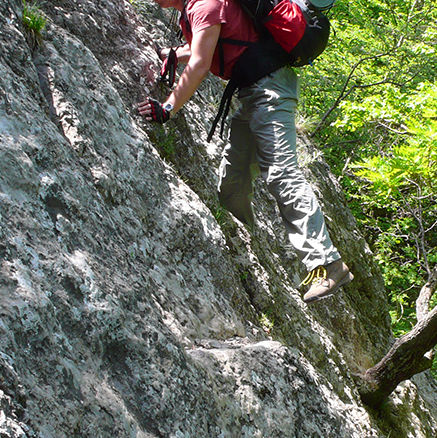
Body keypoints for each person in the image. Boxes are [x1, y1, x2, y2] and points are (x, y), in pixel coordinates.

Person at [137, 0, 353, 304]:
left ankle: (329, 264)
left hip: (269, 91)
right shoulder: (196, 9)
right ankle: (242, 247)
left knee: (282, 174)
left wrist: (168, 108)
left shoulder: (204, 4)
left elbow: (200, 64)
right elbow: (208, 45)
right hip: (254, 94)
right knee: (232, 181)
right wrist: (171, 54)